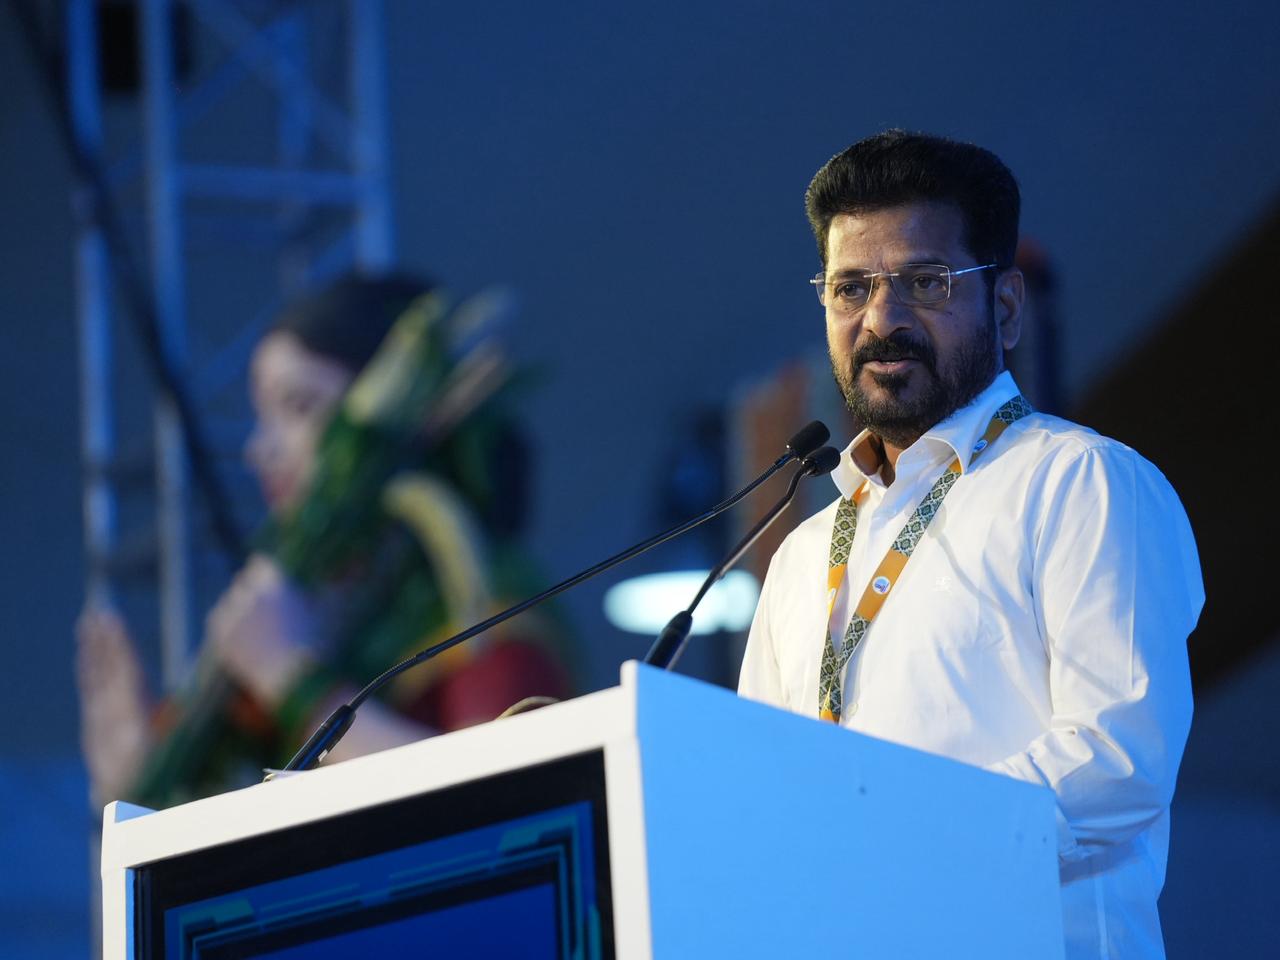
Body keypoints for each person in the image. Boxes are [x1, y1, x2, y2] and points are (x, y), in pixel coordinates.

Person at [737, 131, 1202, 960]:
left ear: (1006, 306)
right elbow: (761, 798)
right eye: (851, 288)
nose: (881, 319)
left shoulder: (1081, 483)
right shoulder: (804, 556)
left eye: (925, 282)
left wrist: (891, 840)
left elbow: (1118, 759)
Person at [77, 272, 574, 810]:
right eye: (260, 417)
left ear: (401, 414)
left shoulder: (481, 593)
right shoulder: (318, 618)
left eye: (299, 406)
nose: (259, 449)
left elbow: (506, 802)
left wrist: (292, 679)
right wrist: (130, 795)